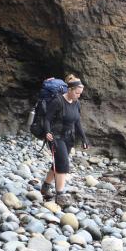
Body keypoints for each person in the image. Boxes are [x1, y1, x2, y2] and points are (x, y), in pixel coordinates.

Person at [41, 74, 89, 205]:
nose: (79, 95)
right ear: (70, 90)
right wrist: (47, 132)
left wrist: (84, 139)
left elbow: (77, 122)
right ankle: (60, 195)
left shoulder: (76, 103)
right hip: (55, 137)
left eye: (80, 93)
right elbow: (47, 119)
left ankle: (45, 187)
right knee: (63, 164)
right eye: (77, 93)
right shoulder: (58, 101)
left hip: (69, 138)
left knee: (58, 162)